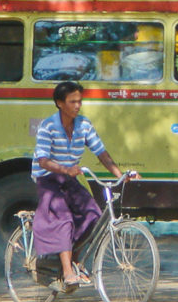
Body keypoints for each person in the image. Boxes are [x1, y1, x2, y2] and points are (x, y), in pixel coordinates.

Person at [32, 81, 124, 286]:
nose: (77, 106)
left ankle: (75, 260)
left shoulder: (84, 125)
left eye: (79, 101)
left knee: (93, 214)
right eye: (72, 101)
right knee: (64, 218)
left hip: (69, 177)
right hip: (48, 178)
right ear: (59, 103)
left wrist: (121, 175)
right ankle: (67, 272)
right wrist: (65, 169)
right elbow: (43, 160)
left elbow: (101, 152)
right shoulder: (48, 126)